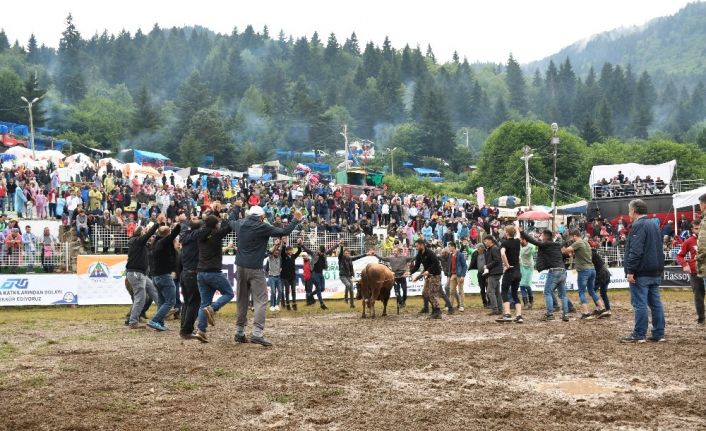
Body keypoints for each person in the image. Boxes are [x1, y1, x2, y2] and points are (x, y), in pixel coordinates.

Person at [229, 205, 301, 346]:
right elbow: (285, 231)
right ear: (261, 217)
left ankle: (239, 332)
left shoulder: (241, 224)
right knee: (261, 299)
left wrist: (236, 208)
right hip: (255, 268)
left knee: (242, 299)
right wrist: (295, 220)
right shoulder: (263, 227)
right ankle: (257, 333)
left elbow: (230, 220)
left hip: (240, 267)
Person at [622, 199, 666, 343]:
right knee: (656, 303)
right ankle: (659, 334)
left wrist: (630, 271)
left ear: (633, 211)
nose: (629, 213)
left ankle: (639, 334)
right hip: (655, 270)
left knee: (639, 303)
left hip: (641, 272)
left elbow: (636, 251)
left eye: (629, 211)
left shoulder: (638, 225)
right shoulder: (654, 225)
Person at [195, 215, 234, 342]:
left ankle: (201, 331)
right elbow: (229, 227)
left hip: (201, 272)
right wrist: (228, 215)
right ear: (215, 225)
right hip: (214, 272)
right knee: (229, 293)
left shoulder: (200, 235)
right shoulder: (216, 234)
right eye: (217, 223)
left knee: (204, 303)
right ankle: (213, 308)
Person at [521, 228, 570, 322]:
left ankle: (550, 314)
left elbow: (532, 241)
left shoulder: (546, 244)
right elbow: (565, 244)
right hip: (563, 270)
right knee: (563, 295)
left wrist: (522, 232)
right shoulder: (557, 244)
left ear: (545, 237)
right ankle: (565, 314)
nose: (541, 237)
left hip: (554, 271)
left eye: (542, 235)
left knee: (547, 292)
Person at [562, 229, 609, 320]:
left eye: (572, 237)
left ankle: (586, 313)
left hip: (583, 270)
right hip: (592, 269)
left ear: (575, 236)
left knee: (582, 292)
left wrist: (564, 248)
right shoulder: (586, 243)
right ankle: (602, 308)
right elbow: (573, 253)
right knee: (591, 291)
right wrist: (571, 252)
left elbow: (567, 250)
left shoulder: (578, 242)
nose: (571, 239)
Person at [147, 215, 182, 331]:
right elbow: (175, 233)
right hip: (164, 276)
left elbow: (162, 233)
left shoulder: (156, 243)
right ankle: (155, 320)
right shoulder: (164, 242)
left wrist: (161, 223)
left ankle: (160, 324)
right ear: (168, 235)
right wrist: (179, 222)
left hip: (156, 277)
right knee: (171, 301)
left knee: (162, 301)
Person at [125, 222, 160, 329]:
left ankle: (164, 311)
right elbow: (148, 235)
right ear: (140, 234)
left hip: (142, 274)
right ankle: (133, 321)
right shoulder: (136, 241)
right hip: (136, 273)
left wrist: (160, 235)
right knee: (141, 297)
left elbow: (152, 242)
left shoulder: (142, 245)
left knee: (154, 291)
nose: (146, 234)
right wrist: (157, 224)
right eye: (144, 231)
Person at [178, 215, 205, 341]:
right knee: (194, 302)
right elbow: (204, 229)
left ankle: (184, 328)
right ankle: (186, 330)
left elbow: (186, 226)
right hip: (193, 273)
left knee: (187, 302)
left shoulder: (184, 235)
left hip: (185, 273)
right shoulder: (196, 236)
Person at [410, 239, 443, 319]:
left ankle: (437, 312)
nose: (416, 247)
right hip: (428, 276)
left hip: (435, 275)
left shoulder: (430, 253)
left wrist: (428, 271)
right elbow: (416, 266)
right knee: (425, 293)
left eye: (417, 246)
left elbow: (436, 263)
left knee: (432, 294)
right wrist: (410, 272)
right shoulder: (419, 254)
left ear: (422, 245)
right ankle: (432, 309)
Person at [300, 241, 337, 310]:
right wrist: (301, 244)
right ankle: (322, 304)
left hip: (320, 274)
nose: (321, 253)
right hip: (314, 274)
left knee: (322, 288)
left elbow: (331, 250)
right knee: (319, 288)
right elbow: (307, 250)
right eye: (320, 251)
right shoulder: (314, 254)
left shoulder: (324, 254)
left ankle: (309, 294)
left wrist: (337, 244)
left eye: (322, 252)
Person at [497, 226, 523, 323]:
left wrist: (507, 265)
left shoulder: (504, 243)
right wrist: (516, 228)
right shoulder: (517, 242)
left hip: (510, 270)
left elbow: (502, 254)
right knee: (515, 293)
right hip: (518, 270)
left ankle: (507, 313)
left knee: (504, 291)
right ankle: (519, 316)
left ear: (507, 233)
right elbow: (518, 234)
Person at [338, 240, 368, 308]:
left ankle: (352, 304)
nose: (347, 254)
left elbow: (358, 257)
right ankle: (345, 298)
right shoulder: (341, 258)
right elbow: (340, 253)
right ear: (344, 254)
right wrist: (342, 246)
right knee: (348, 285)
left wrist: (366, 254)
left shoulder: (350, 259)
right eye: (345, 253)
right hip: (343, 276)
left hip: (349, 276)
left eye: (348, 253)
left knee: (351, 290)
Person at [482, 235, 503, 315]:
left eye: (486, 241)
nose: (485, 243)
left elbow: (497, 260)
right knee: (497, 292)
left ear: (491, 240)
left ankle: (495, 309)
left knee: (490, 291)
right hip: (496, 272)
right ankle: (499, 309)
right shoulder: (492, 249)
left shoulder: (494, 249)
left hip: (494, 273)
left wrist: (487, 266)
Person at [591, 243, 612, 318]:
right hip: (607, 273)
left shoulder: (591, 254)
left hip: (601, 273)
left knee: (592, 290)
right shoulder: (595, 254)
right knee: (603, 293)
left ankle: (599, 308)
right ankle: (608, 310)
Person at [280, 238, 301, 311]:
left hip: (293, 277)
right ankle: (287, 304)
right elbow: (282, 251)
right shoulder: (283, 256)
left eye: (291, 250)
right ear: (286, 251)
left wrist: (299, 244)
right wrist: (284, 244)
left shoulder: (293, 256)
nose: (291, 251)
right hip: (285, 277)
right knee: (287, 291)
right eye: (289, 250)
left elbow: (299, 251)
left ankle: (294, 304)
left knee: (293, 290)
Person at [446, 242, 468, 311]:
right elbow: (450, 266)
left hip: (459, 275)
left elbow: (465, 266)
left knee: (460, 290)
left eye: (449, 246)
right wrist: (449, 276)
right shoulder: (450, 255)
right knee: (451, 291)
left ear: (453, 247)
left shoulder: (460, 255)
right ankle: (450, 306)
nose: (448, 248)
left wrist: (462, 276)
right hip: (453, 275)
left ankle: (461, 306)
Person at [266, 240, 284, 312]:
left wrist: (281, 241)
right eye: (275, 252)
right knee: (273, 292)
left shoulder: (279, 257)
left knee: (280, 291)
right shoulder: (270, 257)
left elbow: (282, 248)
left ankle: (276, 304)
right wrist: (275, 245)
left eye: (278, 252)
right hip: (271, 277)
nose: (277, 252)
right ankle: (271, 305)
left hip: (278, 277)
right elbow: (270, 251)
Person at [519, 236, 536, 308]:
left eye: (522, 240)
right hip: (522, 266)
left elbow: (533, 249)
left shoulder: (531, 246)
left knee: (527, 285)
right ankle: (525, 303)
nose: (520, 241)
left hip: (529, 267)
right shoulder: (520, 247)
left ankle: (531, 300)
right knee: (521, 285)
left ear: (525, 240)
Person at [469, 244, 488, 308]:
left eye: (479, 249)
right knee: (482, 288)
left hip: (487, 273)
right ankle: (485, 302)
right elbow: (472, 261)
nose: (478, 250)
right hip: (479, 273)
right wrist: (470, 268)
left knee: (488, 288)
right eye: (477, 249)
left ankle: (490, 302)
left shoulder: (487, 253)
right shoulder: (475, 254)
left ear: (482, 248)